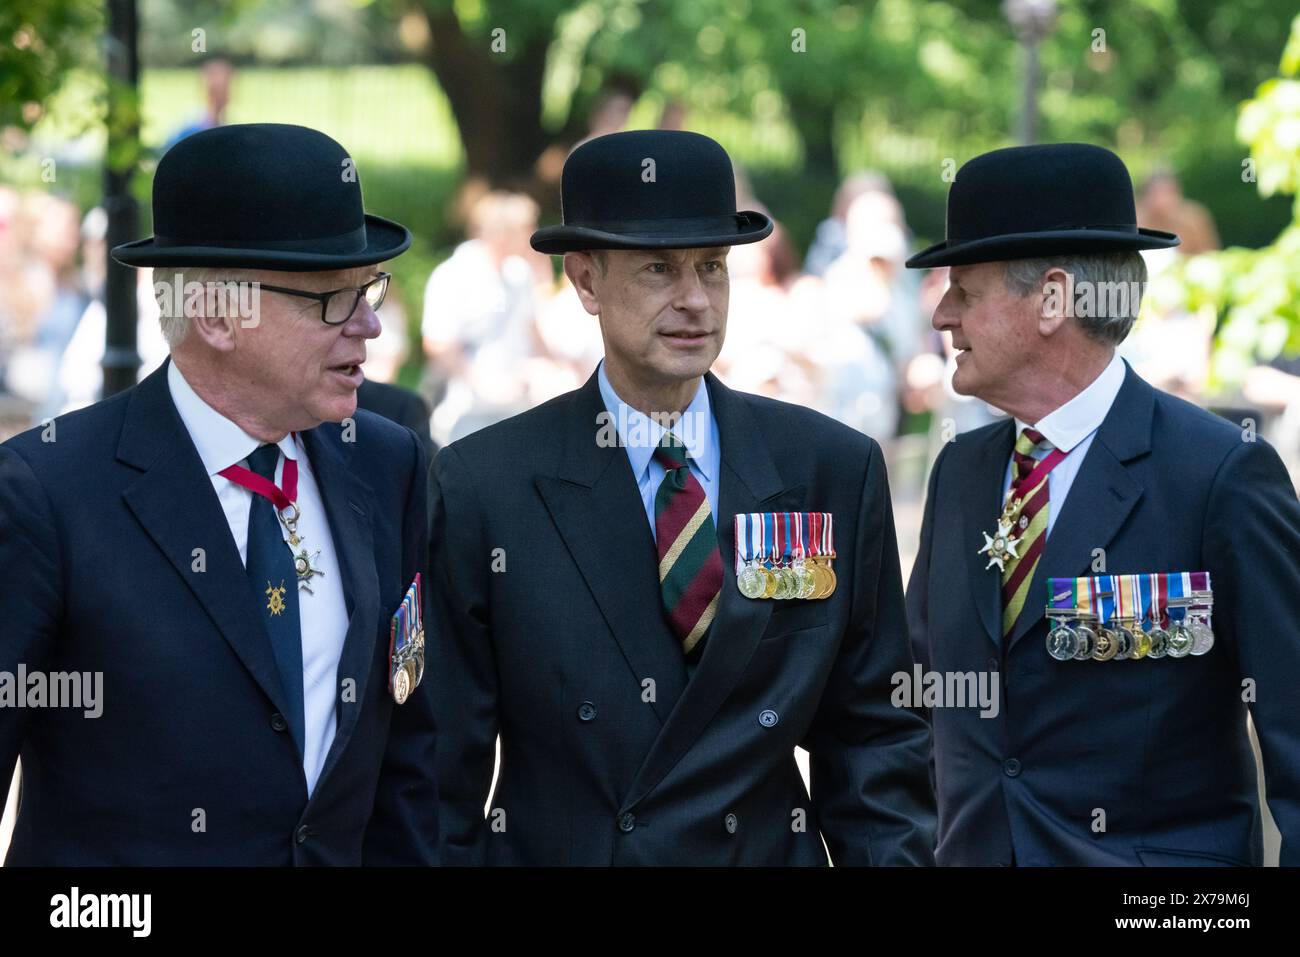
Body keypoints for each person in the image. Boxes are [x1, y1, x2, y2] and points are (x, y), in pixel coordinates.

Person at [430, 129, 936, 866]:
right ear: (585, 280)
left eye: (712, 266)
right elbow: (444, 776)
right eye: (658, 269)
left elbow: (875, 736)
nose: (695, 299)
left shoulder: (830, 468)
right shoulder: (486, 485)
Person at [0, 123, 438, 865]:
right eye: (332, 298)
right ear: (215, 313)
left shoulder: (386, 463)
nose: (367, 324)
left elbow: (406, 753)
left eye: (367, 290)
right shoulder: (46, 493)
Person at [905, 142, 1300, 866]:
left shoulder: (1219, 476)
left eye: (963, 287)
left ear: (1053, 299)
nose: (941, 314)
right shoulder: (961, 474)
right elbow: (911, 710)